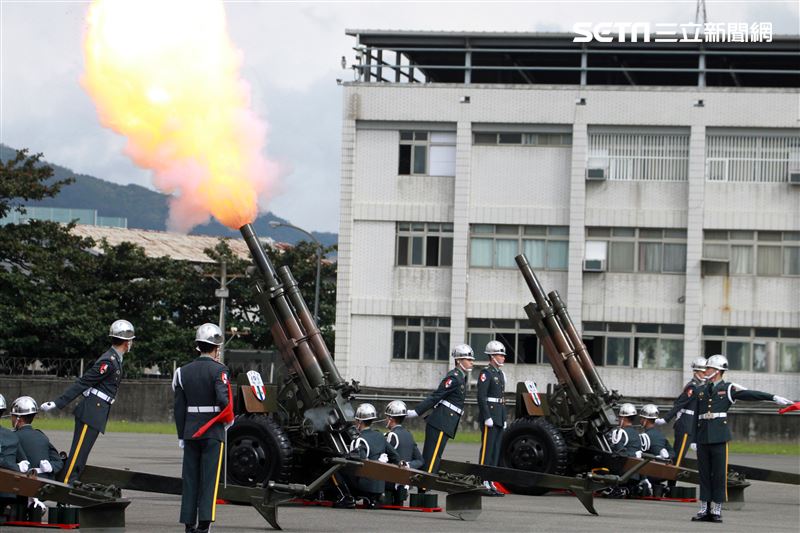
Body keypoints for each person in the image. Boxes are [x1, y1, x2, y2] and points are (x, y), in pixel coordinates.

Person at [690, 354, 793, 524]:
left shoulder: (728, 389)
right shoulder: (700, 390)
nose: (705, 371)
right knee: (704, 475)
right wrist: (693, 438)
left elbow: (750, 394)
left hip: (719, 438)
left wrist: (773, 398)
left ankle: (716, 509)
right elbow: (696, 416)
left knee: (719, 474)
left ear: (717, 371)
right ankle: (703, 509)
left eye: (708, 368)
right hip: (702, 438)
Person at [40, 319, 134, 483]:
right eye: (131, 340)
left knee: (82, 453)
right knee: (78, 453)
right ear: (126, 342)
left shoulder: (116, 359)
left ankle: (70, 482)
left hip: (97, 410)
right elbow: (84, 382)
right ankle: (66, 484)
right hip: (92, 410)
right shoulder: (109, 361)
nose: (131, 343)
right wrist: (57, 403)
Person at [173, 323, 231, 533]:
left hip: (190, 431)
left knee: (189, 479)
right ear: (215, 348)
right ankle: (204, 524)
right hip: (213, 431)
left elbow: (179, 409)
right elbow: (223, 400)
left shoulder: (182, 372)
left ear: (198, 346)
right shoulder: (220, 370)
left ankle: (189, 524)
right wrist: (228, 419)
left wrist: (182, 434)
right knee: (209, 480)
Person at [406, 344, 473, 476]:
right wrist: (417, 411)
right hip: (441, 421)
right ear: (459, 361)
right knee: (432, 455)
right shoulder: (454, 377)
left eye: (472, 360)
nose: (472, 362)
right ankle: (424, 485)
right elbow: (436, 396)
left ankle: (426, 483)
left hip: (446, 421)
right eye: (468, 359)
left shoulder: (461, 377)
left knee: (436, 455)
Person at [347, 403, 401, 508]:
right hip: (380, 485)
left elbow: (359, 465)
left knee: (339, 469)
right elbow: (395, 456)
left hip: (366, 485)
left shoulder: (359, 440)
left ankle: (345, 498)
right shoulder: (380, 435)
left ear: (359, 421)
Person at [656, 357, 706, 468]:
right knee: (678, 456)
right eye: (702, 372)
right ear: (696, 372)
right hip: (685, 424)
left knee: (682, 457)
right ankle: (671, 483)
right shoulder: (692, 386)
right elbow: (679, 404)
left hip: (693, 425)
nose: (705, 374)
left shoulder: (701, 387)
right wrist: (666, 419)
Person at [476, 340, 507, 496]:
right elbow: (481, 397)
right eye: (500, 355)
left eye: (502, 355)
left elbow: (501, 398)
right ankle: (483, 481)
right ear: (492, 356)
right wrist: (487, 416)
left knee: (495, 451)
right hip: (490, 418)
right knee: (487, 451)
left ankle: (491, 481)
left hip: (499, 417)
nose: (503, 358)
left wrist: (504, 417)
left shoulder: (499, 374)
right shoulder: (486, 373)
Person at [10, 396, 63, 479]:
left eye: (12, 416)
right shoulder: (41, 436)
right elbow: (58, 461)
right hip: (47, 482)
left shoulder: (12, 437)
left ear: (18, 419)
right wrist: (50, 467)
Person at [384, 400, 423, 505]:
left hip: (391, 481)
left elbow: (383, 459)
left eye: (387, 417)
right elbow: (420, 460)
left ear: (391, 419)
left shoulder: (391, 435)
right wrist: (407, 465)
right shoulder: (409, 434)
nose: (385, 419)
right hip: (404, 481)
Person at [639, 404, 674, 496]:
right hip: (665, 473)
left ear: (645, 420)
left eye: (642, 418)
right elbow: (672, 453)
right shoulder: (661, 435)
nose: (640, 420)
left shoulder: (644, 436)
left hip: (651, 473)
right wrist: (666, 457)